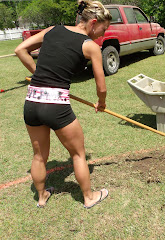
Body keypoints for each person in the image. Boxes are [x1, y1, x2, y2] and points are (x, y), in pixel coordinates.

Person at [15, 0, 112, 208]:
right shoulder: (90, 46)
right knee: (78, 154)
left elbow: (20, 50)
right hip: (55, 105)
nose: (101, 35)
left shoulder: (52, 30)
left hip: (32, 100)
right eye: (103, 30)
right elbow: (101, 87)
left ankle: (41, 197)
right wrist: (101, 103)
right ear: (93, 22)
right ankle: (89, 197)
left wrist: (39, 76)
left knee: (39, 156)